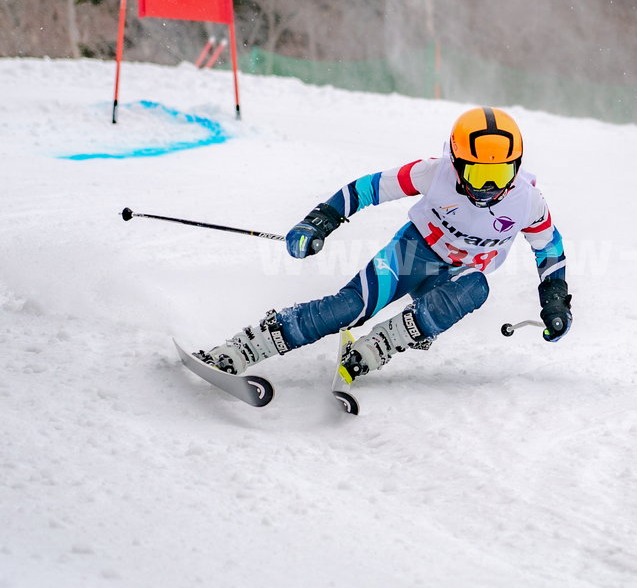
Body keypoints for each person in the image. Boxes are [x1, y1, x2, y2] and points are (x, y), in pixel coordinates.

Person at [194, 106, 572, 381]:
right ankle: (245, 347)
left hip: (457, 277)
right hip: (413, 253)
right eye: (478, 172)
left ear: (517, 166)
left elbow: (549, 250)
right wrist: (319, 221)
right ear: (456, 162)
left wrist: (555, 299)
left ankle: (383, 343)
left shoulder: (527, 200)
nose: (489, 188)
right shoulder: (432, 173)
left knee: (477, 286)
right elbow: (367, 188)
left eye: (501, 172)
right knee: (349, 309)